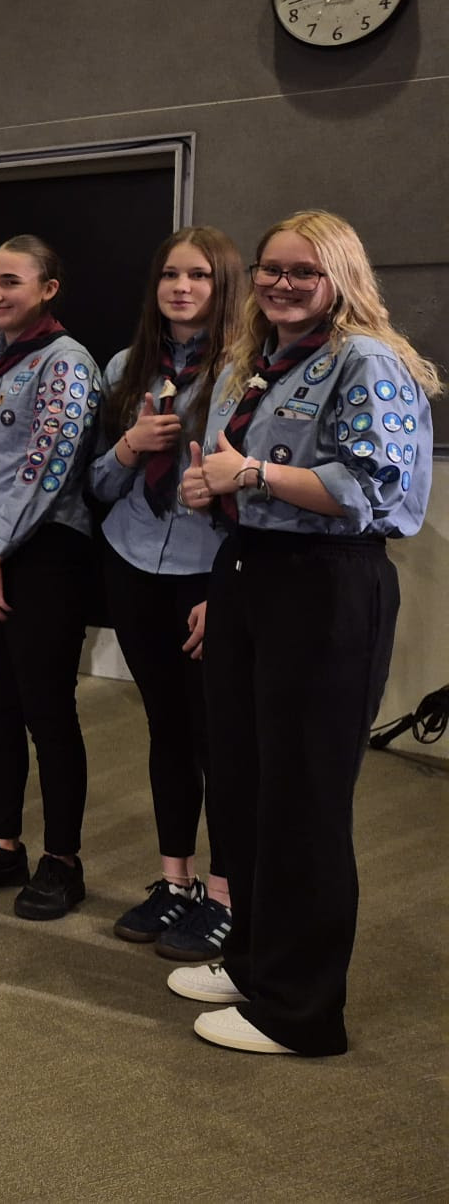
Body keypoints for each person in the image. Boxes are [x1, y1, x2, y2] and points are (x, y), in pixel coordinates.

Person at [172, 210, 434, 1057]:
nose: (283, 284)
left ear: (340, 278)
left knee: (303, 798)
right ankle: (255, 963)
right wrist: (215, 497)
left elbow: (376, 491)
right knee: (244, 785)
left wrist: (250, 473)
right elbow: (233, 473)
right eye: (271, 269)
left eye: (304, 271)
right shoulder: (260, 359)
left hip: (326, 586)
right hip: (252, 573)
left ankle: (302, 1011)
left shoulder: (366, 360)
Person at [0, 235, 102, 920]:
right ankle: (1, 840)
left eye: (11, 281)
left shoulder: (66, 362)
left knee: (46, 710)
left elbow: (51, 460)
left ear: (48, 288)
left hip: (39, 553)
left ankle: (62, 861)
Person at [90, 229, 243, 958]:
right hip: (133, 563)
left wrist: (230, 578)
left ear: (225, 284)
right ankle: (174, 881)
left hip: (208, 573)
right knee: (166, 731)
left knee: (219, 739)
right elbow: (96, 484)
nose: (182, 288)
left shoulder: (249, 372)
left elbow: (260, 495)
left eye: (200, 276)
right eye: (171, 275)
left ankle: (225, 895)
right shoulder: (127, 367)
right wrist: (129, 448)